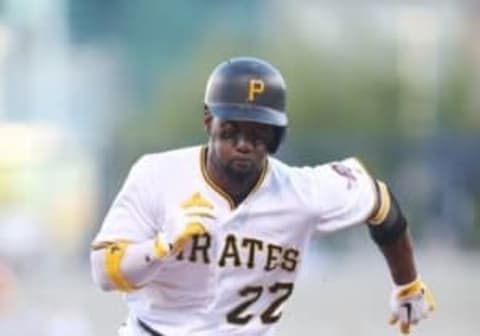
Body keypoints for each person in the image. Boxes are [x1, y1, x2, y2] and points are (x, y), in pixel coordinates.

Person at [90, 56, 435, 336]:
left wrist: (408, 284)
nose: (243, 143)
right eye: (232, 130)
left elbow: (381, 203)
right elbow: (104, 272)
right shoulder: (158, 175)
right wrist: (161, 247)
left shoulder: (303, 192)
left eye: (258, 133)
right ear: (208, 121)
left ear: (276, 136)